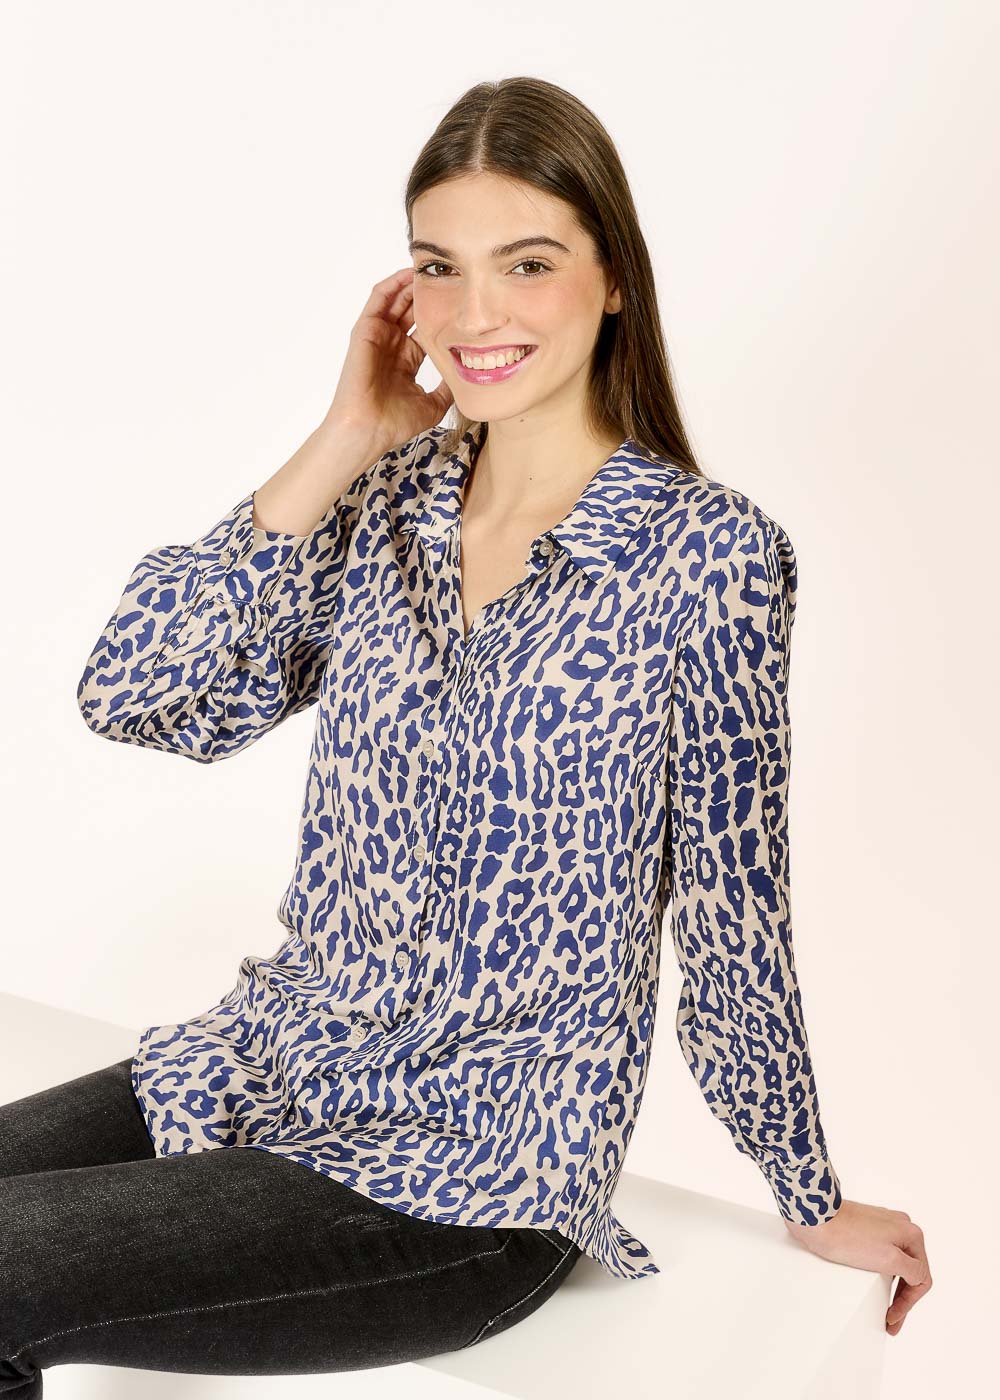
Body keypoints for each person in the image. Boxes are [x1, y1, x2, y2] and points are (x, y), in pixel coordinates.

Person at [1, 76, 931, 1396]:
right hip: (267, 1066)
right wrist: (345, 434)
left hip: (471, 1173)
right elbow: (139, 693)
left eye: (528, 264)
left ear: (615, 281)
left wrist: (807, 1185)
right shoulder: (385, 503)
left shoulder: (709, 558)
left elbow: (733, 909)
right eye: (441, 267)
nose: (477, 312)